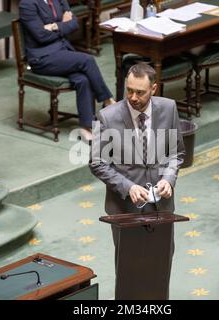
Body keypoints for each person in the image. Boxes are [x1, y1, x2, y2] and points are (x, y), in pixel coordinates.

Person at [89, 63, 185, 299]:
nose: (133, 97)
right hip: (125, 209)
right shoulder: (107, 116)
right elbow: (97, 162)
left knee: (161, 264)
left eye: (140, 92)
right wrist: (128, 186)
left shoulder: (169, 108)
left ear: (154, 88)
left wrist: (168, 178)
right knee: (130, 268)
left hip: (161, 206)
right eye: (129, 90)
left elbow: (176, 152)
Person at [19, 0, 115, 141]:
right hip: (42, 58)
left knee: (83, 79)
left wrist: (54, 26)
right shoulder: (27, 4)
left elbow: (74, 23)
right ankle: (108, 101)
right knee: (87, 60)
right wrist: (63, 25)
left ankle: (86, 126)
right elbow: (40, 36)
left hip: (62, 51)